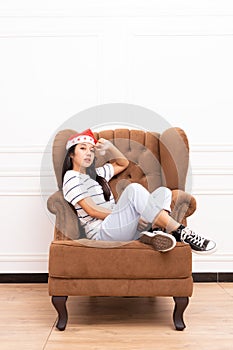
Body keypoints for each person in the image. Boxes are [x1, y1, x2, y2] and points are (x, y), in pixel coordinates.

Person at [62, 128, 216, 254]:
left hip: (121, 227)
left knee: (164, 192)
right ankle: (182, 232)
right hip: (102, 233)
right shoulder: (71, 178)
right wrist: (134, 218)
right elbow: (92, 211)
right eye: (83, 148)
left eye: (91, 150)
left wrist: (110, 147)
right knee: (134, 190)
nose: (88, 153)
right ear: (71, 153)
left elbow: (123, 163)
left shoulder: (98, 174)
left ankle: (154, 233)